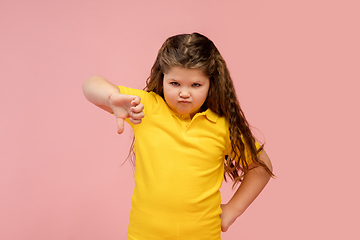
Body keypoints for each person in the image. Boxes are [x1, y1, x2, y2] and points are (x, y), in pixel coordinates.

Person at [83, 32, 274, 240]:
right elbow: (91, 84)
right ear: (162, 77)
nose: (184, 93)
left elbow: (261, 165)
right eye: (175, 83)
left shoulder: (222, 127)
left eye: (196, 85)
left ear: (211, 83)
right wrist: (112, 97)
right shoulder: (145, 107)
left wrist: (232, 211)